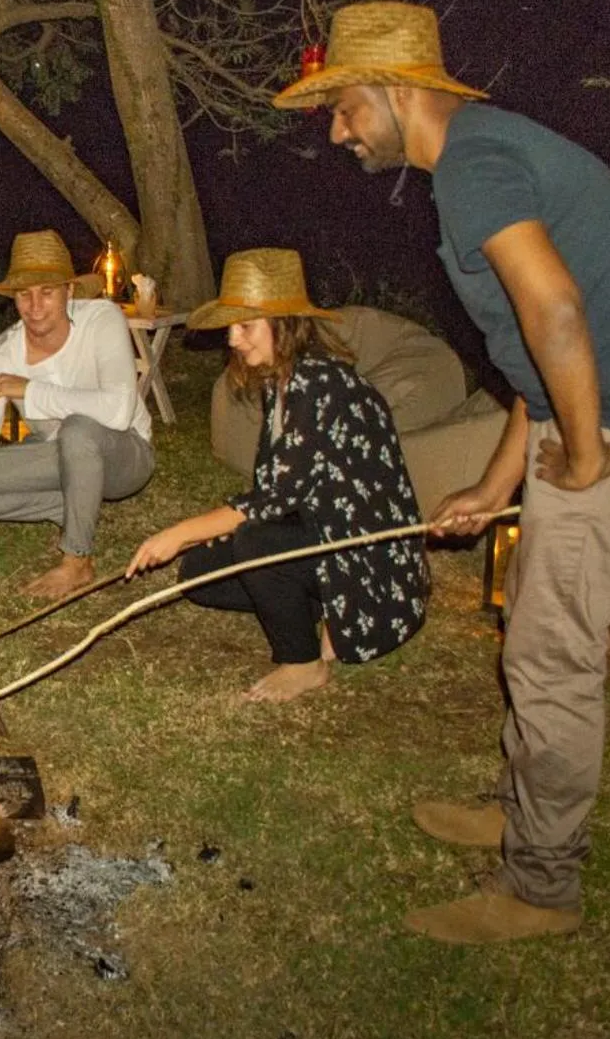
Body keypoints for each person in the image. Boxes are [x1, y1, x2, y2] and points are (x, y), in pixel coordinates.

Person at [274, 0, 610, 945]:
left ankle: (541, 885)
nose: (339, 131)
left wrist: (589, 459)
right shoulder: (480, 155)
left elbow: (556, 312)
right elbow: (534, 349)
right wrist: (494, 485)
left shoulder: (473, 167)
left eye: (346, 107)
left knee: (550, 652)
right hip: (607, 409)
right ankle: (523, 811)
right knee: (530, 615)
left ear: (397, 91)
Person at [123, 249, 428, 702]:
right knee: (198, 572)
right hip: (322, 534)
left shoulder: (319, 385)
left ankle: (304, 663)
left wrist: (178, 532)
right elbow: (282, 491)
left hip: (368, 564)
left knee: (255, 541)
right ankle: (311, 601)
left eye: (245, 326)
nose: (233, 339)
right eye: (231, 327)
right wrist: (194, 540)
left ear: (284, 324)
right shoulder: (281, 381)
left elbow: (271, 501)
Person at [0, 229, 154, 598]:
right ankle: (70, 503)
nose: (35, 306)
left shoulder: (103, 320)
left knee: (78, 430)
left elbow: (117, 410)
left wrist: (30, 390)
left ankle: (77, 559)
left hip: (124, 453)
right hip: (54, 452)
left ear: (69, 291)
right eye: (24, 294)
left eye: (47, 292)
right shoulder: (1, 357)